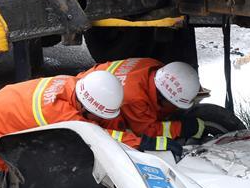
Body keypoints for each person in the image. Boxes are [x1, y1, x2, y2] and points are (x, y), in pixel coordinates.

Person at [0, 71, 180, 175]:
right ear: (83, 108)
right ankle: (19, 175)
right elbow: (100, 138)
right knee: (73, 151)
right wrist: (147, 143)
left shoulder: (75, 84)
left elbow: (100, 122)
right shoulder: (57, 113)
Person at [77, 59, 206, 141]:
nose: (175, 108)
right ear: (162, 97)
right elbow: (145, 131)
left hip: (94, 82)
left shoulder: (155, 68)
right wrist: (181, 128)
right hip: (90, 105)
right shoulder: (135, 98)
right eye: (174, 104)